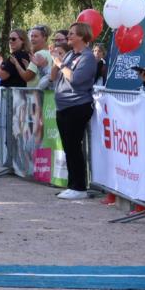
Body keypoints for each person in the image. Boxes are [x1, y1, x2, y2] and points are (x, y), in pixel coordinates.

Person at [50, 22, 98, 200]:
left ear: (82, 36)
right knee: (68, 147)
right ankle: (72, 185)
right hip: (63, 106)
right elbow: (53, 77)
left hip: (78, 106)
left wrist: (61, 64)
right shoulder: (70, 54)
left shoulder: (88, 57)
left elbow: (76, 80)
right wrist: (56, 61)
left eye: (72, 34)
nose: (68, 36)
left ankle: (79, 187)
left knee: (74, 147)